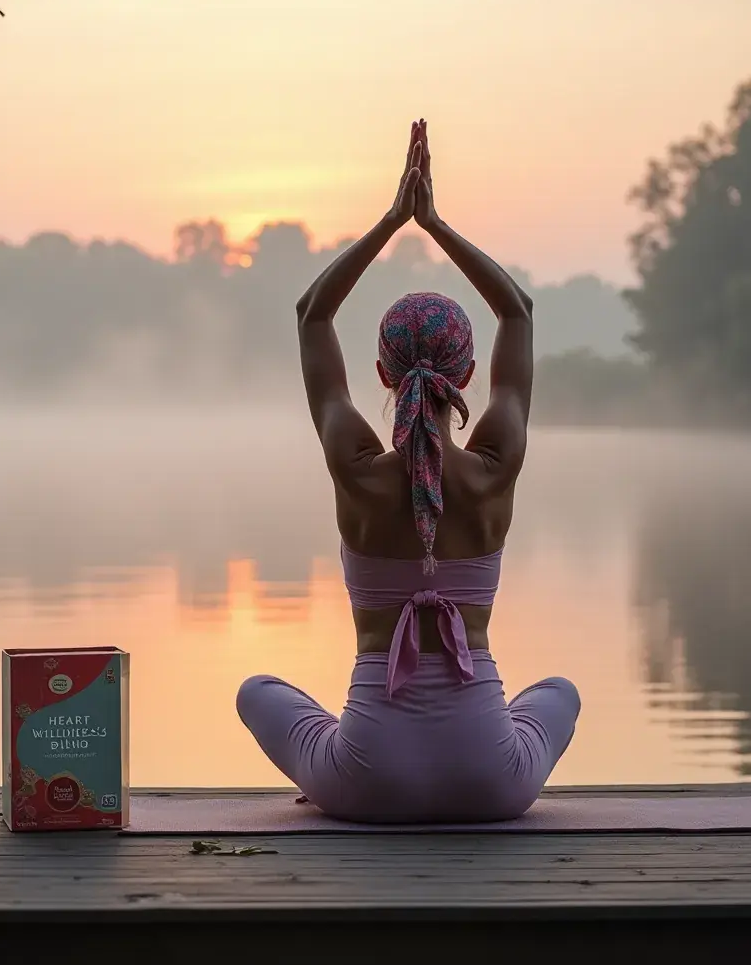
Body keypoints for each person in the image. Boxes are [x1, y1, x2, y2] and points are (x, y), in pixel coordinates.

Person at [236, 119, 580, 823]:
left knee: (257, 690)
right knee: (559, 693)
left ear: (382, 373)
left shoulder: (357, 471)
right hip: (493, 785)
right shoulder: (493, 470)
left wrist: (393, 221)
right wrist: (436, 225)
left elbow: (311, 317)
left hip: (367, 787)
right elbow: (517, 312)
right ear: (468, 374)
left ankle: (359, 762)